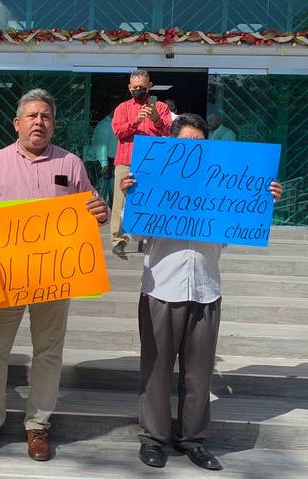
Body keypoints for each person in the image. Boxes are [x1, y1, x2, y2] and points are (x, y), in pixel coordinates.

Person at [0, 88, 108, 462]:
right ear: (17, 123)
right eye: (32, 116)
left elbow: (91, 203)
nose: (39, 122)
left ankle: (38, 426)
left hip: (55, 275)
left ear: (53, 125)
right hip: (5, 274)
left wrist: (100, 210)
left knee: (48, 351)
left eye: (46, 116)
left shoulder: (71, 164)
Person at [119, 113, 282, 471]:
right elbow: (134, 236)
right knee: (156, 370)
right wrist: (133, 198)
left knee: (199, 374)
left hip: (206, 289)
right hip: (162, 288)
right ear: (171, 145)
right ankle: (154, 438)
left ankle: (192, 440)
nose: (192, 149)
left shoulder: (222, 184)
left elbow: (240, 223)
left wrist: (262, 198)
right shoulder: (152, 181)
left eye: (199, 143)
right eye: (185, 143)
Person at [111, 69, 172, 256]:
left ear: (150, 86)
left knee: (150, 199)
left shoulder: (161, 108)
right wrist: (136, 121)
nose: (138, 90)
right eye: (135, 87)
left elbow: (170, 133)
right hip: (126, 160)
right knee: (121, 201)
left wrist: (157, 120)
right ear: (129, 88)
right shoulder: (122, 108)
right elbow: (118, 132)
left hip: (152, 163)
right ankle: (118, 240)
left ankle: (148, 238)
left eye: (142, 87)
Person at [90, 108, 118, 207]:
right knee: (103, 189)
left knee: (108, 188)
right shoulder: (105, 125)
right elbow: (102, 145)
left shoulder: (110, 124)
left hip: (109, 161)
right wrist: (104, 162)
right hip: (105, 161)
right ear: (113, 112)